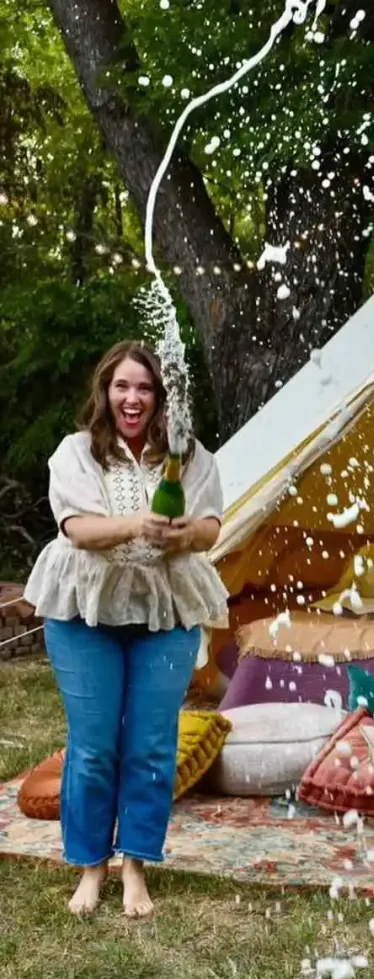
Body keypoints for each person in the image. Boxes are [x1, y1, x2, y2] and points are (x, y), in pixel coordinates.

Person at [23, 340, 229, 918]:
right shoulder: (76, 453)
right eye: (123, 386)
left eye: (145, 387)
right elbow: (78, 529)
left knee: (150, 746)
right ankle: (91, 867)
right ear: (106, 393)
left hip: (165, 611)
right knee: (93, 748)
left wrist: (187, 535)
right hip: (85, 612)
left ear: (160, 398)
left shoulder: (187, 455)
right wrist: (138, 522)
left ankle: (134, 865)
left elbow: (212, 523)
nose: (133, 397)